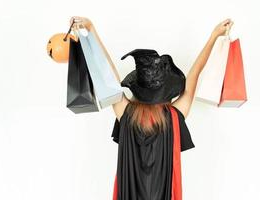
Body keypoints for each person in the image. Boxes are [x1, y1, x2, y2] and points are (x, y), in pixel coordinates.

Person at [71, 16, 233, 200]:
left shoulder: (126, 114)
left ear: (138, 88)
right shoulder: (173, 116)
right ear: (166, 89)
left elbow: (109, 77)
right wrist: (214, 36)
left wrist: (91, 30)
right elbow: (194, 76)